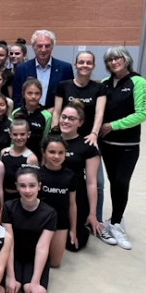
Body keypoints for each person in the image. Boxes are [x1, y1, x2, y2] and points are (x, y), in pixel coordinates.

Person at [99, 46, 146, 250]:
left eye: (117, 58)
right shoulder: (105, 83)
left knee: (122, 182)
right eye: (109, 60)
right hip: (106, 145)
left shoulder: (138, 82)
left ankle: (116, 223)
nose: (114, 62)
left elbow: (141, 114)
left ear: (126, 59)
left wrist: (113, 125)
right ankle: (115, 219)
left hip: (128, 144)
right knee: (114, 183)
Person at [3, 167, 56, 293]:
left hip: (35, 256)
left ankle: (28, 280)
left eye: (32, 185)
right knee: (10, 290)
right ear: (16, 186)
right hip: (14, 254)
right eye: (22, 186)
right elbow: (9, 243)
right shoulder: (8, 207)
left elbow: (42, 247)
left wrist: (35, 282)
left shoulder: (50, 213)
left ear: (39, 186)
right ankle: (18, 277)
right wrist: (10, 276)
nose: (27, 190)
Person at [58, 102, 104, 250]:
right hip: (54, 193)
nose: (66, 121)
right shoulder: (51, 140)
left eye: (72, 119)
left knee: (73, 245)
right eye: (64, 117)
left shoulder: (87, 146)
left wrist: (92, 214)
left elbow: (91, 182)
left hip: (76, 195)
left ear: (80, 122)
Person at [38, 135, 76, 268]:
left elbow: (72, 204)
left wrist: (73, 229)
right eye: (52, 152)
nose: (56, 156)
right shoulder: (37, 175)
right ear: (43, 152)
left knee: (55, 263)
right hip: (40, 222)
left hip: (60, 223)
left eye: (61, 153)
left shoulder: (70, 175)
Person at [13, 30, 74, 109]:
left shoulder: (65, 68)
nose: (43, 50)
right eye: (39, 46)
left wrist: (56, 111)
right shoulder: (21, 69)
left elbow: (69, 96)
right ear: (33, 47)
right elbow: (17, 97)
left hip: (55, 114)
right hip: (28, 114)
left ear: (52, 47)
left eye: (47, 46)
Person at [0, 118, 39, 203]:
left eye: (22, 134)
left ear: (28, 134)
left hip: (21, 198)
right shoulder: (4, 152)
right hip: (3, 195)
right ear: (10, 134)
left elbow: (33, 183)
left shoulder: (31, 158)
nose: (19, 137)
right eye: (15, 134)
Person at [13, 78, 51, 162]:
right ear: (23, 94)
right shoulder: (15, 113)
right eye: (30, 93)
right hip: (17, 157)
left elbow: (45, 140)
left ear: (41, 95)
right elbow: (12, 138)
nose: (33, 96)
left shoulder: (46, 115)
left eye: (37, 93)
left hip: (37, 157)